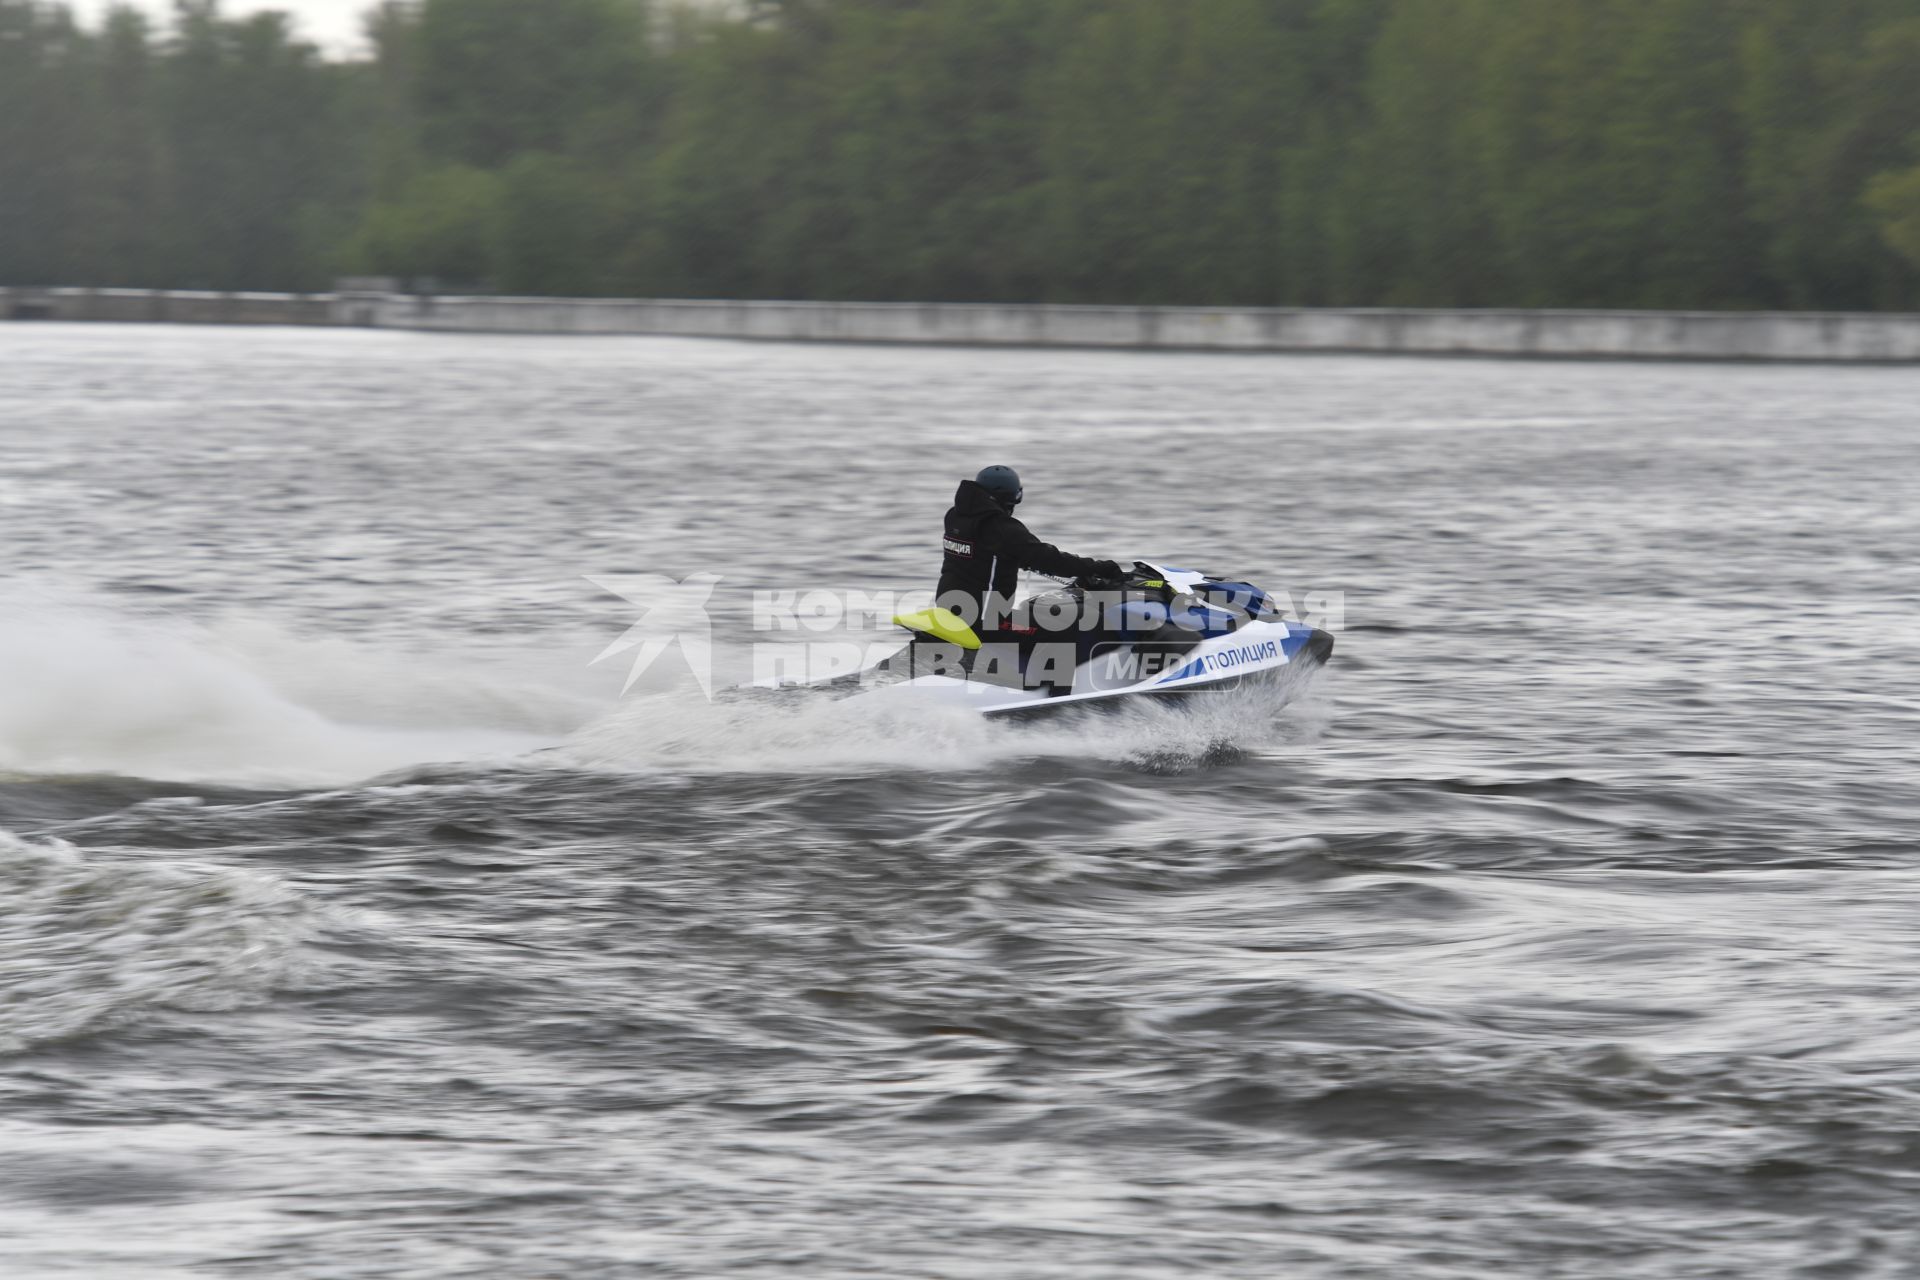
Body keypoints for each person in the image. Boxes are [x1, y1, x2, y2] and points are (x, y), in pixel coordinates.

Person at [935, 465, 1123, 634]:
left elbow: (984, 555)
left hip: (950, 612)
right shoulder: (1001, 527)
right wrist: (1097, 567)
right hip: (987, 622)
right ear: (1009, 498)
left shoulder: (955, 516)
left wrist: (1019, 558)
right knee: (1062, 626)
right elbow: (1049, 559)